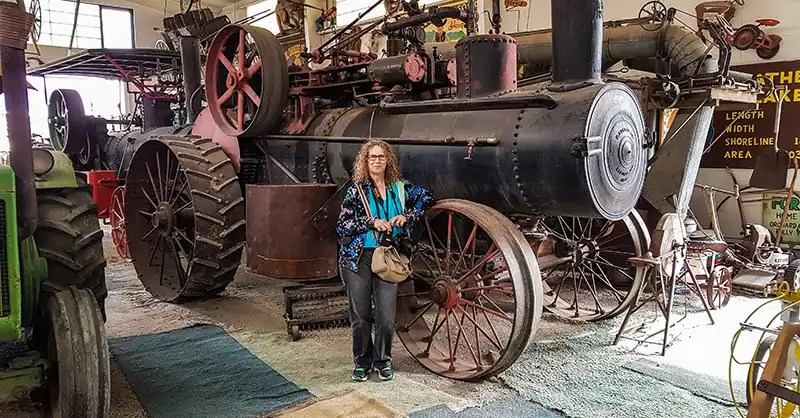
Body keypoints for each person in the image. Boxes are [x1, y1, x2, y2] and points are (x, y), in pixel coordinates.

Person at [335, 139, 434, 382]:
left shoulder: (399, 188)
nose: (377, 161)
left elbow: (428, 198)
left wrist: (407, 216)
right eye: (372, 157)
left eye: (381, 157)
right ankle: (361, 362)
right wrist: (371, 222)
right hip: (359, 257)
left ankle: (383, 360)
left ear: (388, 160)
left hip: (389, 256)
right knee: (361, 316)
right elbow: (342, 225)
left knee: (386, 317)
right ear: (365, 161)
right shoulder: (357, 190)